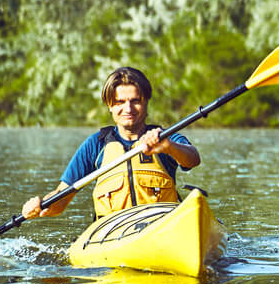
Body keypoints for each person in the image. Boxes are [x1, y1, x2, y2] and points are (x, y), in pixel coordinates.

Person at [22, 67, 200, 220]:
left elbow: (192, 159)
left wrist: (169, 147)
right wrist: (41, 205)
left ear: (146, 102)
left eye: (135, 101)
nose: (128, 109)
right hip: (114, 232)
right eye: (120, 102)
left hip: (161, 225)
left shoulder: (164, 137)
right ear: (110, 105)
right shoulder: (95, 145)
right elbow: (61, 200)